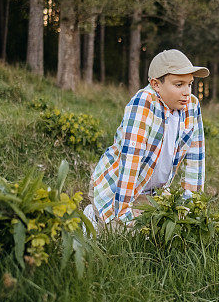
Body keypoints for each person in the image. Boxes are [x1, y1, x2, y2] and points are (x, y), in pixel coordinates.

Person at [85, 49, 208, 230]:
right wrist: (122, 213)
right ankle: (93, 217)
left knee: (165, 236)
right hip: (116, 189)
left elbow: (195, 158)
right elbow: (130, 159)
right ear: (156, 84)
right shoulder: (144, 102)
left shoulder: (192, 105)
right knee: (125, 236)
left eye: (189, 84)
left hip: (153, 193)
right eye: (178, 84)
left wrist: (192, 208)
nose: (186, 92)